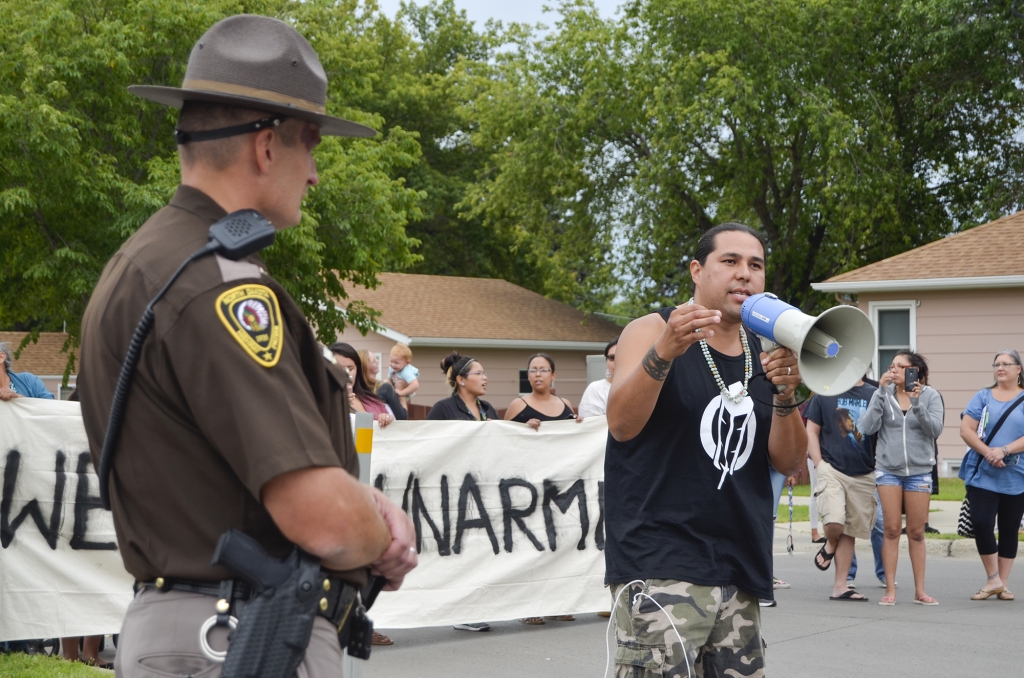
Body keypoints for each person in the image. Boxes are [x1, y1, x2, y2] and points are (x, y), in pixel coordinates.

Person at [76, 16, 416, 677]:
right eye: (310, 146)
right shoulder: (223, 289)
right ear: (265, 148)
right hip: (238, 638)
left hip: (202, 630)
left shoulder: (148, 261)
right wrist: (382, 535)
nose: (314, 174)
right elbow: (322, 520)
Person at [604, 222, 806, 677]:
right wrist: (664, 352)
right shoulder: (651, 329)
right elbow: (620, 423)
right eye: (729, 261)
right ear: (697, 270)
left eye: (755, 265)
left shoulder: (766, 347)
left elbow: (789, 462)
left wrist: (786, 393)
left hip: (740, 563)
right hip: (660, 562)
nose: (744, 275)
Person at [861, 350, 943, 606]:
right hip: (889, 470)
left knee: (917, 532)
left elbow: (934, 430)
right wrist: (881, 393)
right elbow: (867, 428)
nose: (893, 370)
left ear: (914, 371)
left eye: (900, 366)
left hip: (919, 471)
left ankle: (920, 590)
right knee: (892, 529)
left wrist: (917, 403)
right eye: (892, 366)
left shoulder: (931, 396)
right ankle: (890, 589)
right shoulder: (882, 394)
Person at [427, 352, 497, 632]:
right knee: (459, 551)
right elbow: (427, 445)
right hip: (454, 491)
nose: (485, 378)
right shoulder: (443, 409)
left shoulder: (488, 408)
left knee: (480, 550)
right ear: (461, 380)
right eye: (479, 373)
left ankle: (476, 607)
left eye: (484, 373)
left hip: (484, 488)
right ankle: (461, 610)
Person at [806, 379, 880, 603]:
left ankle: (840, 586)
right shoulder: (824, 391)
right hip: (831, 468)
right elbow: (811, 430)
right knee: (835, 521)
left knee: (850, 531)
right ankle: (829, 543)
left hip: (864, 472)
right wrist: (819, 464)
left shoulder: (874, 393)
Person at [958, 349, 1024, 601]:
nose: (1001, 368)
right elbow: (967, 429)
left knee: (1009, 529)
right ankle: (992, 579)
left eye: (1007, 363)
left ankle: (1003, 584)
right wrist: (989, 453)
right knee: (982, 523)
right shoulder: (983, 396)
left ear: (1018, 369)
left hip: (1016, 474)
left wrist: (1005, 450)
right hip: (983, 472)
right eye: (997, 364)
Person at [504, 354, 583, 433]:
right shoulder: (517, 405)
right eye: (533, 370)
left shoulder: (566, 404)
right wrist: (524, 428)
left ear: (553, 375)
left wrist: (580, 423)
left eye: (543, 370)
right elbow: (504, 436)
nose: (538, 374)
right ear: (528, 376)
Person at [329, 343, 395, 428]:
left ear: (357, 369)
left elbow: (392, 432)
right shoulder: (321, 402)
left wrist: (387, 419)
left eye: (350, 369)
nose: (346, 373)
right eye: (338, 369)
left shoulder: (373, 400)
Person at [359, 349, 407, 419]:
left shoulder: (358, 390)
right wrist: (401, 391)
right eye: (374, 361)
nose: (377, 361)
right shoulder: (385, 388)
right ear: (366, 367)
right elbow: (402, 417)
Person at [578, 339, 618, 417]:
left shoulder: (644, 388)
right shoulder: (596, 389)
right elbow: (591, 425)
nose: (617, 362)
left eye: (622, 356)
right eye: (612, 357)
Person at [389, 343, 420, 408]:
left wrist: (401, 392)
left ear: (407, 363)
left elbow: (415, 385)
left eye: (396, 363)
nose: (393, 365)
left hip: (406, 393)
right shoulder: (392, 367)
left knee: (401, 408)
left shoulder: (406, 372)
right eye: (391, 361)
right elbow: (389, 380)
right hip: (397, 388)